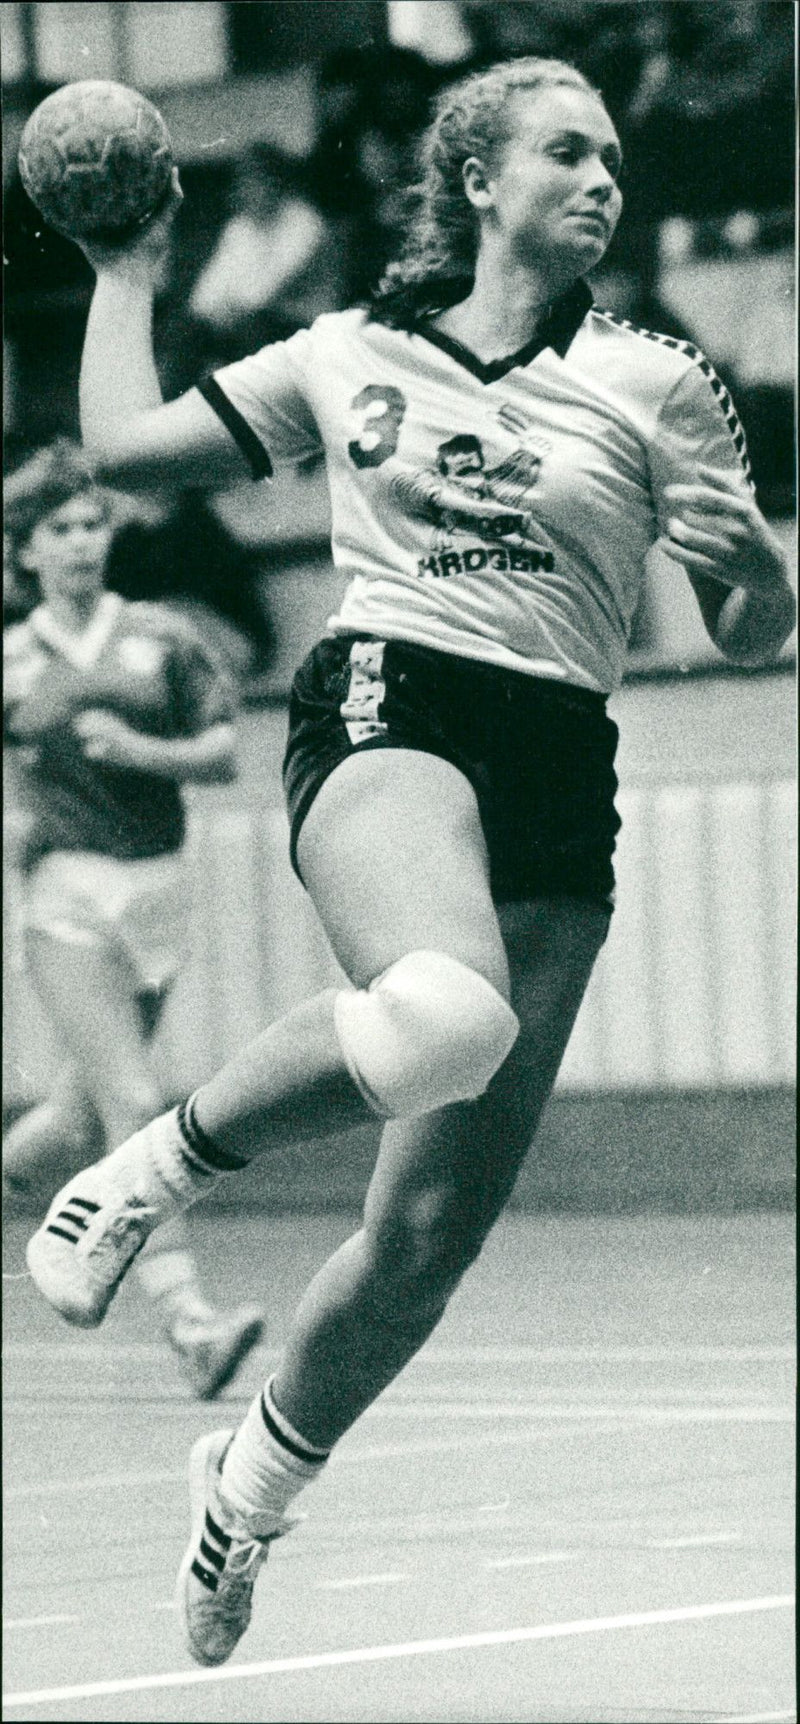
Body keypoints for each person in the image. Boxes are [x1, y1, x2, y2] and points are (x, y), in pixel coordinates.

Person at [25, 57, 794, 1667]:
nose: (602, 179)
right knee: (448, 1012)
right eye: (564, 152)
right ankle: (146, 1169)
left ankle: (242, 1491)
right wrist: (125, 275)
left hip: (556, 762)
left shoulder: (661, 383)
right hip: (390, 700)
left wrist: (758, 579)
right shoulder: (344, 354)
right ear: (474, 178)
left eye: (610, 158)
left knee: (428, 1239)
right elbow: (122, 450)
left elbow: (749, 623)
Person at [4, 441, 265, 1398]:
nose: (80, 544)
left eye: (91, 526)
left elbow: (223, 751)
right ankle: (192, 1325)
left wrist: (136, 751)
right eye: (58, 531)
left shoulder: (162, 635)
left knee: (70, 1123)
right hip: (66, 900)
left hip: (158, 893)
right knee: (133, 1100)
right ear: (23, 552)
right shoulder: (12, 657)